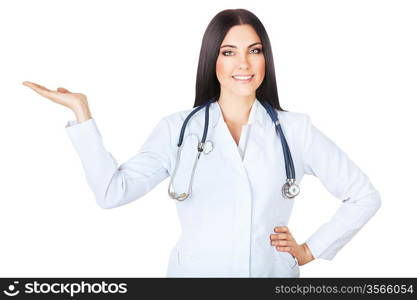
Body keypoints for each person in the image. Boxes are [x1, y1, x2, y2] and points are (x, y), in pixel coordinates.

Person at [22, 8, 381, 278]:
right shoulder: (178, 129)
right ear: (213, 60)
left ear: (265, 59)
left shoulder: (294, 130)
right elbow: (112, 193)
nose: (244, 63)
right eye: (229, 52)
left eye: (254, 51)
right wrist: (82, 113)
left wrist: (309, 250)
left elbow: (364, 195)